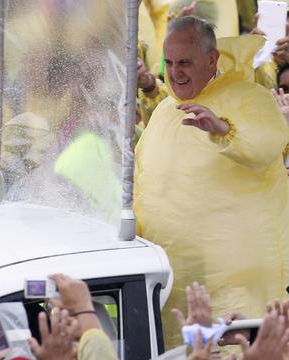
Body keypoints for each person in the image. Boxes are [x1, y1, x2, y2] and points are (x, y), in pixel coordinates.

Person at [134, 16, 289, 349]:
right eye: (170, 62)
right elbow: (144, 179)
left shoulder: (248, 96)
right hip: (173, 280)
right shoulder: (164, 110)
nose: (175, 72)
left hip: (234, 283)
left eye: (185, 63)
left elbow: (268, 142)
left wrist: (224, 130)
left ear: (212, 59)